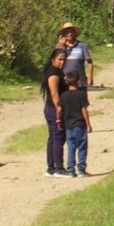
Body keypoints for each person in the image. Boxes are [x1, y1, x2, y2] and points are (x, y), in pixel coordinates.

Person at [41, 48, 71, 178]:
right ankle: (58, 167)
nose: (62, 62)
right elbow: (54, 94)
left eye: (64, 59)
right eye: (60, 59)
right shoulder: (53, 74)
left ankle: (51, 168)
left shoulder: (57, 72)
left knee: (54, 138)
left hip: (52, 109)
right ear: (53, 60)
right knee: (58, 137)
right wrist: (59, 110)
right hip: (54, 109)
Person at [61, 71, 93, 177]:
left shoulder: (63, 95)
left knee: (71, 147)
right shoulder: (81, 95)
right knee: (82, 147)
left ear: (66, 82)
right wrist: (88, 124)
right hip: (80, 124)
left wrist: (58, 120)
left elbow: (60, 110)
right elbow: (84, 110)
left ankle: (70, 170)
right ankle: (81, 169)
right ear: (78, 82)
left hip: (68, 126)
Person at [60, 22, 94, 89]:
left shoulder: (81, 46)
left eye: (71, 32)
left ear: (75, 33)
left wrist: (90, 77)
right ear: (63, 34)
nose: (70, 34)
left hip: (80, 82)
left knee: (80, 98)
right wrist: (61, 44)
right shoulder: (60, 47)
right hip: (64, 81)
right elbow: (55, 60)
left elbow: (90, 62)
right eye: (67, 32)